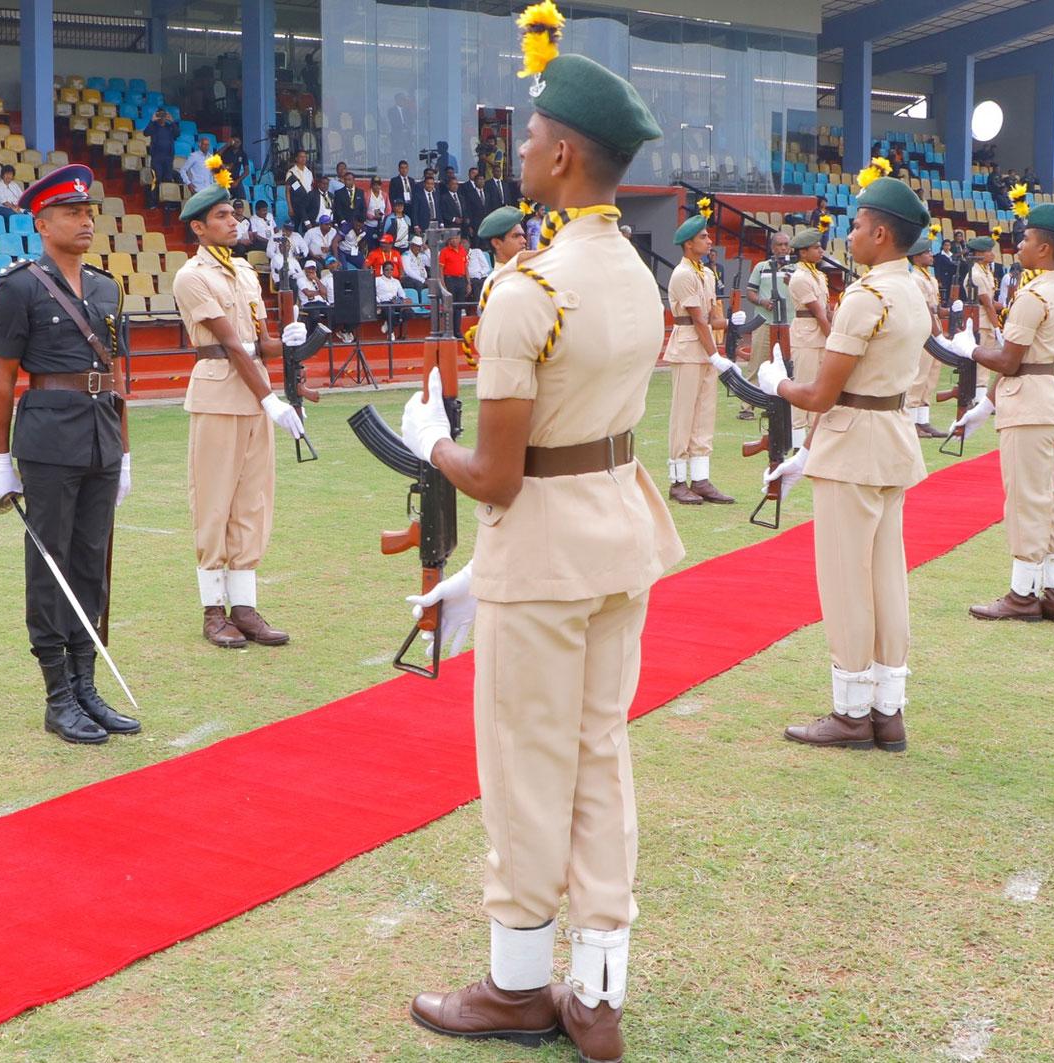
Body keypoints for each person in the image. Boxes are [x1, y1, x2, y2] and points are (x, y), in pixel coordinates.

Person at [401, 30, 680, 1062]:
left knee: (524, 767)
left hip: (547, 547)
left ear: (563, 157)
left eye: (529, 135)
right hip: (616, 533)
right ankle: (596, 989)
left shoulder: (530, 288)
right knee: (601, 754)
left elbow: (501, 474)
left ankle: (519, 986)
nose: (517, 148)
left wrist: (427, 437)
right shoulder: (639, 275)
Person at [770, 175, 932, 754]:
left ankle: (851, 710)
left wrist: (777, 383)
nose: (851, 234)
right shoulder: (914, 288)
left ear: (881, 233)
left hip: (854, 441)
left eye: (859, 226)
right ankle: (887, 709)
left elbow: (820, 395)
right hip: (889, 436)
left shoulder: (868, 296)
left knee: (846, 582)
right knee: (887, 579)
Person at [0, 164, 140, 746]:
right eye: (72, 213)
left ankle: (87, 684)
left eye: (88, 211)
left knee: (91, 560)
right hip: (48, 439)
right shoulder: (19, 286)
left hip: (101, 434)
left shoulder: (107, 287)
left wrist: (124, 452)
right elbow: (3, 380)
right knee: (50, 564)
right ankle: (57, 695)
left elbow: (117, 375)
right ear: (42, 223)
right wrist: (0, 458)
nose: (85, 221)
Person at [171, 162, 311, 648]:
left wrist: (290, 343)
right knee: (213, 502)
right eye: (224, 216)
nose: (234, 222)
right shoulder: (192, 277)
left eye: (235, 215)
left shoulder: (247, 274)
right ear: (198, 226)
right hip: (220, 395)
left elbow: (259, 344)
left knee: (253, 503)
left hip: (254, 396)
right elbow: (230, 345)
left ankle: (245, 608)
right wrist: (270, 398)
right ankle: (213, 611)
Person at [962, 205, 1054, 623]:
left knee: (1026, 501)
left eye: (1028, 238)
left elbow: (1010, 361)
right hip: (1045, 397)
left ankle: (1023, 594)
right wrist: (987, 404)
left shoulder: (1033, 295)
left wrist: (971, 350)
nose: (1020, 244)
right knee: (1049, 497)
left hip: (1029, 403)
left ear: (1044, 247)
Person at [663, 215, 734, 504]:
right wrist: (715, 354)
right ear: (689, 244)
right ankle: (678, 481)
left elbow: (710, 317)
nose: (709, 240)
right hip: (690, 348)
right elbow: (698, 321)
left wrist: (729, 322)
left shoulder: (705, 272)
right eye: (703, 237)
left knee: (704, 414)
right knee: (684, 416)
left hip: (702, 350)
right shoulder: (683, 274)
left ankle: (700, 478)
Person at [784, 230, 832, 451]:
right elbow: (818, 313)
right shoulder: (801, 278)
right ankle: (797, 443)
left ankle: (814, 443)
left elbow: (827, 310)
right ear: (803, 252)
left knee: (818, 389)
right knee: (804, 388)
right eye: (816, 248)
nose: (821, 251)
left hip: (819, 336)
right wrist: (832, 338)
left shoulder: (818, 275)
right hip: (806, 335)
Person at [742, 231, 795, 419]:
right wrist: (762, 302)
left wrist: (793, 282)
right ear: (772, 248)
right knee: (757, 363)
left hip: (791, 323)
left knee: (789, 366)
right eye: (779, 245)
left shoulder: (796, 269)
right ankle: (747, 406)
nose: (782, 248)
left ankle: (783, 405)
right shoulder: (761, 267)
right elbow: (750, 292)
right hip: (764, 322)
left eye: (785, 244)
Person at [904, 236, 944, 438]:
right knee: (919, 377)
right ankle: (911, 422)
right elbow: (923, 307)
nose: (930, 255)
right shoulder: (915, 279)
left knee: (931, 376)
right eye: (926, 252)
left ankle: (923, 420)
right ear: (916, 257)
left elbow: (934, 307)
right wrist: (938, 334)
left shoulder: (929, 277)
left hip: (933, 325)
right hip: (924, 330)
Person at [965, 235, 1002, 333]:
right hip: (980, 324)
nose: (992, 254)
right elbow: (988, 304)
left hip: (988, 323)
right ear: (978, 253)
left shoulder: (987, 272)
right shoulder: (976, 274)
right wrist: (997, 328)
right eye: (988, 251)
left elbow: (992, 301)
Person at [438, 232, 470, 330]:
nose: (454, 240)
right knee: (449, 306)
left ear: (459, 238)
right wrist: (443, 284)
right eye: (452, 238)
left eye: (456, 238)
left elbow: (466, 268)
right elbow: (440, 269)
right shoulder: (444, 251)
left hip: (461, 280)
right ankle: (449, 330)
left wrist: (468, 283)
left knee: (459, 307)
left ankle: (457, 330)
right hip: (450, 280)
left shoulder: (462, 250)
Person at [373, 260, 409, 337]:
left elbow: (402, 294)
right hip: (383, 301)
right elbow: (373, 293)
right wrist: (378, 302)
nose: (389, 271)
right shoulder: (377, 280)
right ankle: (390, 332)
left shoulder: (396, 281)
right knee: (391, 313)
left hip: (395, 300)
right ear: (383, 270)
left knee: (408, 312)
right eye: (387, 269)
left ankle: (389, 325)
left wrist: (403, 299)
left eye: (391, 269)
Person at [145, 109, 178, 189]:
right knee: (157, 178)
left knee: (168, 179)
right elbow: (146, 133)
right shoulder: (154, 126)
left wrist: (172, 121)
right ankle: (155, 200)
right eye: (160, 115)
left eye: (164, 115)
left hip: (168, 157)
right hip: (157, 157)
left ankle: (166, 199)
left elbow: (177, 133)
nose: (162, 117)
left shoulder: (169, 127)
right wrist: (152, 120)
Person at [296, 260, 332, 332]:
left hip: (322, 303)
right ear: (305, 269)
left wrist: (316, 279)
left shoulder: (316, 279)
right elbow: (308, 293)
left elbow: (324, 292)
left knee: (334, 313)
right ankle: (312, 335)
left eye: (313, 269)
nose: (311, 271)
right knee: (315, 315)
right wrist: (319, 292)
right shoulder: (301, 279)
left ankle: (326, 335)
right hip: (309, 303)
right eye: (309, 268)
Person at [284, 150, 314, 224]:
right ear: (296, 159)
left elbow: (311, 187)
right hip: (296, 204)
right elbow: (287, 192)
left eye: (305, 157)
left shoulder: (309, 172)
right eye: (301, 157)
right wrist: (290, 208)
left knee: (307, 225)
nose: (303, 158)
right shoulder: (291, 172)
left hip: (307, 204)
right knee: (295, 227)